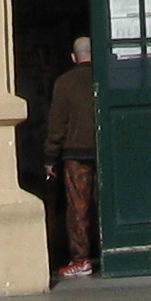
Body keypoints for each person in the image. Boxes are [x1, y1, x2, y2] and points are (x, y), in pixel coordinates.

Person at [43, 33, 98, 279]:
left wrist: (49, 157)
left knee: (78, 208)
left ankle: (80, 259)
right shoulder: (106, 80)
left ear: (74, 57)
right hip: (106, 150)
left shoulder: (64, 83)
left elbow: (57, 126)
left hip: (76, 154)